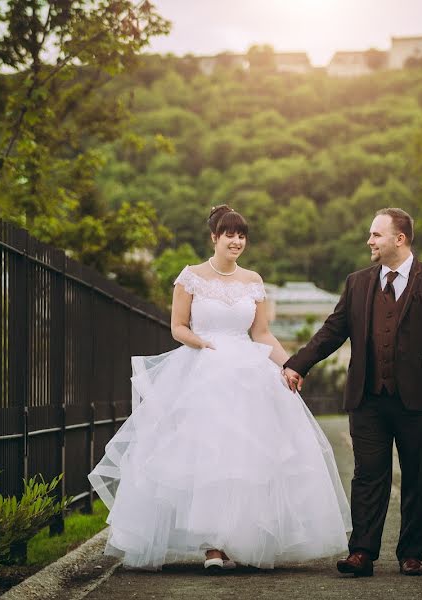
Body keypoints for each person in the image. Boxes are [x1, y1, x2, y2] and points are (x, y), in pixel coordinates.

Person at [88, 204, 351, 573]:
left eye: (242, 235)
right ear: (214, 237)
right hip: (203, 368)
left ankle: (238, 537)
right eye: (230, 234)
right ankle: (211, 545)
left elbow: (260, 333)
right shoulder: (191, 277)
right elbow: (177, 326)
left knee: (248, 457)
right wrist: (203, 345)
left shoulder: (253, 280)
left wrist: (290, 365)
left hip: (248, 370)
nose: (237, 241)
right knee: (207, 456)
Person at [282, 208, 422, 578]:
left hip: (421, 401)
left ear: (399, 239)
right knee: (368, 476)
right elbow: (332, 331)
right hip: (368, 398)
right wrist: (298, 363)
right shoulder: (358, 283)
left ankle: (412, 554)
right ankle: (362, 553)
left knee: (418, 477)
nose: (370, 241)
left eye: (376, 235)